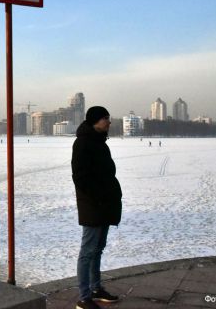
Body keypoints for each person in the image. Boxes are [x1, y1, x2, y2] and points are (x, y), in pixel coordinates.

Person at [72, 106, 122, 309]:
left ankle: (96, 289)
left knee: (98, 250)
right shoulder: (83, 143)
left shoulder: (100, 143)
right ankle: (84, 298)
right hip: (93, 206)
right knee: (87, 252)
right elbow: (80, 178)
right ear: (94, 121)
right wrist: (98, 198)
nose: (109, 122)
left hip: (104, 205)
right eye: (105, 119)